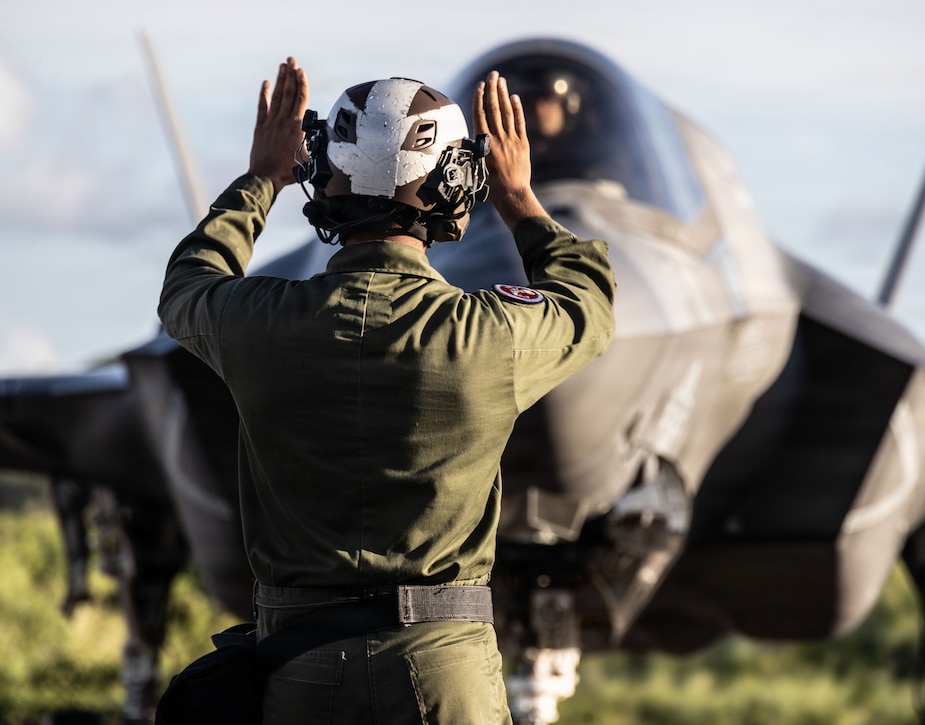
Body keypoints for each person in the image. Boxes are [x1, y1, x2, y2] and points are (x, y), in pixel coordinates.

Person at [157, 57, 615, 724]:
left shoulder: (254, 323)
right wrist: (519, 198)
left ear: (322, 179)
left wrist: (261, 180)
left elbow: (188, 285)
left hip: (299, 671)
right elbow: (588, 303)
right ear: (459, 186)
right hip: (445, 675)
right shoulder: (491, 336)